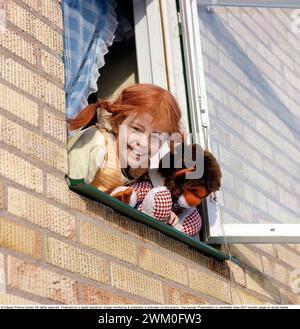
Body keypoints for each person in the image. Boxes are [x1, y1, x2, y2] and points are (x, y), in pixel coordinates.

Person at [66, 83, 184, 199]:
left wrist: (165, 215)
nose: (143, 143)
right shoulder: (98, 142)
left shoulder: (140, 169)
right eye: (136, 129)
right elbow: (69, 190)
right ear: (118, 123)